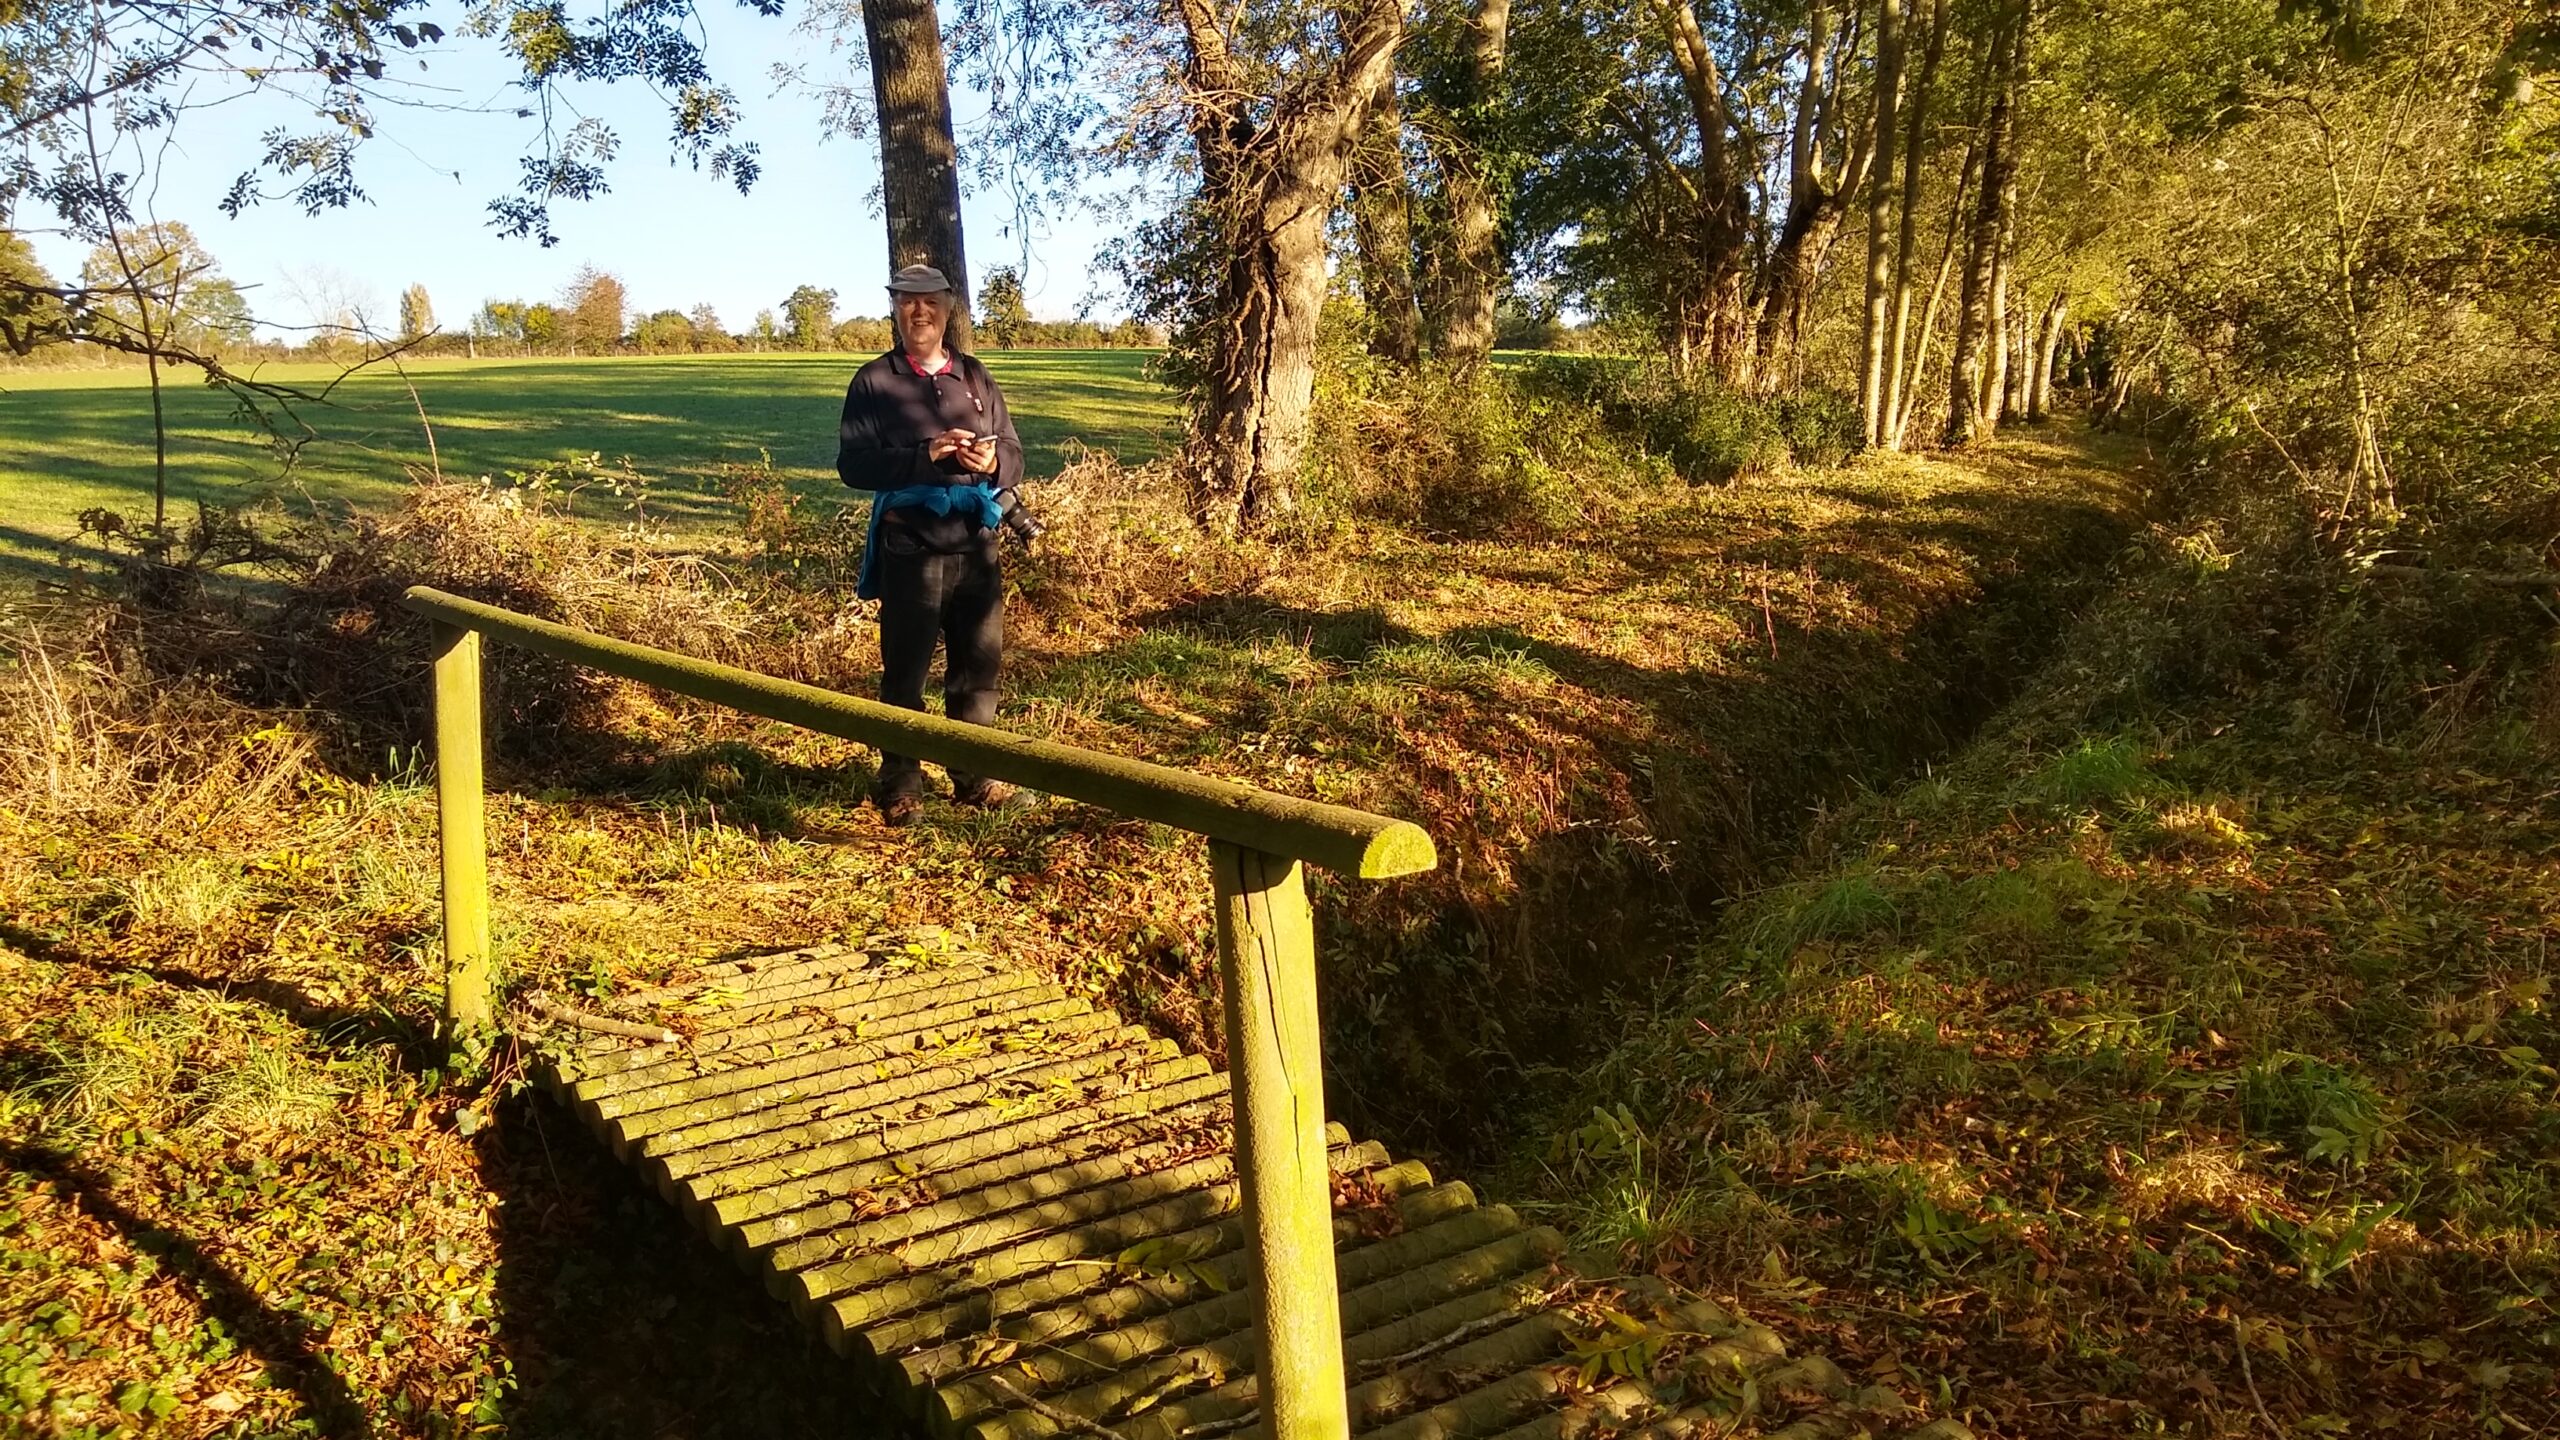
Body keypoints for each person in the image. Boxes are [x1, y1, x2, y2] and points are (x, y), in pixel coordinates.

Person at [836, 263, 1026, 825]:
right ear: (894, 308)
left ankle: (974, 778)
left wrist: (994, 462)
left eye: (929, 302)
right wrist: (927, 455)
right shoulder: (875, 380)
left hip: (977, 541)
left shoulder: (975, 376)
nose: (919, 311)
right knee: (905, 672)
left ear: (949, 308)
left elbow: (1014, 451)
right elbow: (854, 465)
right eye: (907, 301)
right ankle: (901, 784)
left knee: (978, 670)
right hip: (910, 546)